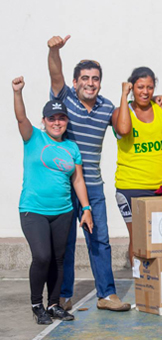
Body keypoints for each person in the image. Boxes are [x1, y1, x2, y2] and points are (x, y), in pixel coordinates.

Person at [47, 35, 131, 311]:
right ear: (75, 82)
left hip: (93, 187)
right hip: (63, 187)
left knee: (100, 241)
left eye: (95, 78)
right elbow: (55, 72)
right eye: (85, 78)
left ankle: (107, 295)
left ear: (99, 83)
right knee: (65, 244)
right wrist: (54, 51)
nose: (90, 83)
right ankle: (64, 295)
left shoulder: (107, 107)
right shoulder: (65, 99)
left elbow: (124, 128)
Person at [15, 77, 91, 324]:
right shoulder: (33, 138)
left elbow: (78, 181)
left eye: (61, 118)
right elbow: (20, 118)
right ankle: (37, 305)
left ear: (66, 121)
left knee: (59, 259)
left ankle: (54, 304)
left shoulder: (72, 147)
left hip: (63, 211)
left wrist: (86, 209)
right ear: (44, 121)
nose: (56, 122)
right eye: (51, 119)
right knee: (42, 257)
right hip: (33, 210)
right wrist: (17, 93)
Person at [114, 67, 162, 269]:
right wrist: (124, 96)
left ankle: (160, 288)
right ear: (132, 87)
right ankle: (141, 288)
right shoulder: (121, 112)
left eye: (150, 87)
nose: (145, 91)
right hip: (131, 186)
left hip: (160, 186)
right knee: (138, 240)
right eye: (140, 87)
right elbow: (123, 129)